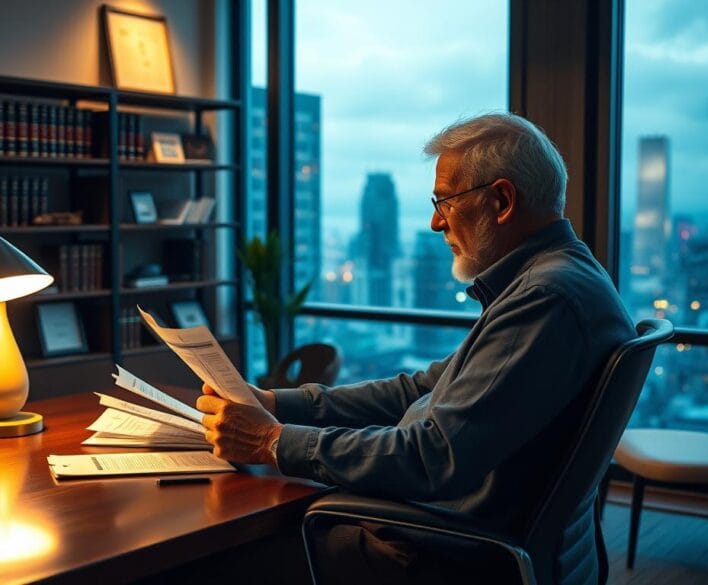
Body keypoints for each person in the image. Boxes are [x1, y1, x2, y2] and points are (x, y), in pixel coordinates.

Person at [196, 113, 634, 584]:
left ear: (502, 200)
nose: (434, 221)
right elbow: (420, 389)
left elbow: (433, 457)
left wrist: (272, 441)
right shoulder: (557, 279)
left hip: (449, 552)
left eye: (445, 200)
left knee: (220, 552)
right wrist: (277, 403)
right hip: (468, 532)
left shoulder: (545, 298)